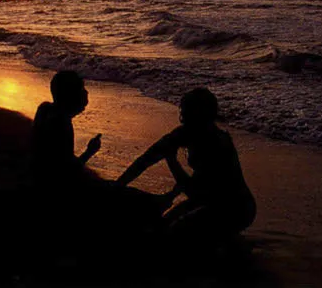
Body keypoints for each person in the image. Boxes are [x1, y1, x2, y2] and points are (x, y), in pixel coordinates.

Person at [115, 88, 256, 239]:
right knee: (164, 223)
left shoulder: (218, 144)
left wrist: (172, 161)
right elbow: (145, 160)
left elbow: (194, 191)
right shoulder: (184, 133)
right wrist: (117, 187)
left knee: (171, 233)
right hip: (207, 200)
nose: (185, 117)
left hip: (236, 208)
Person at [31, 70, 102, 188]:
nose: (86, 92)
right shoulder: (61, 123)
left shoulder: (45, 109)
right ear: (71, 96)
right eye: (82, 89)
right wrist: (89, 152)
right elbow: (67, 171)